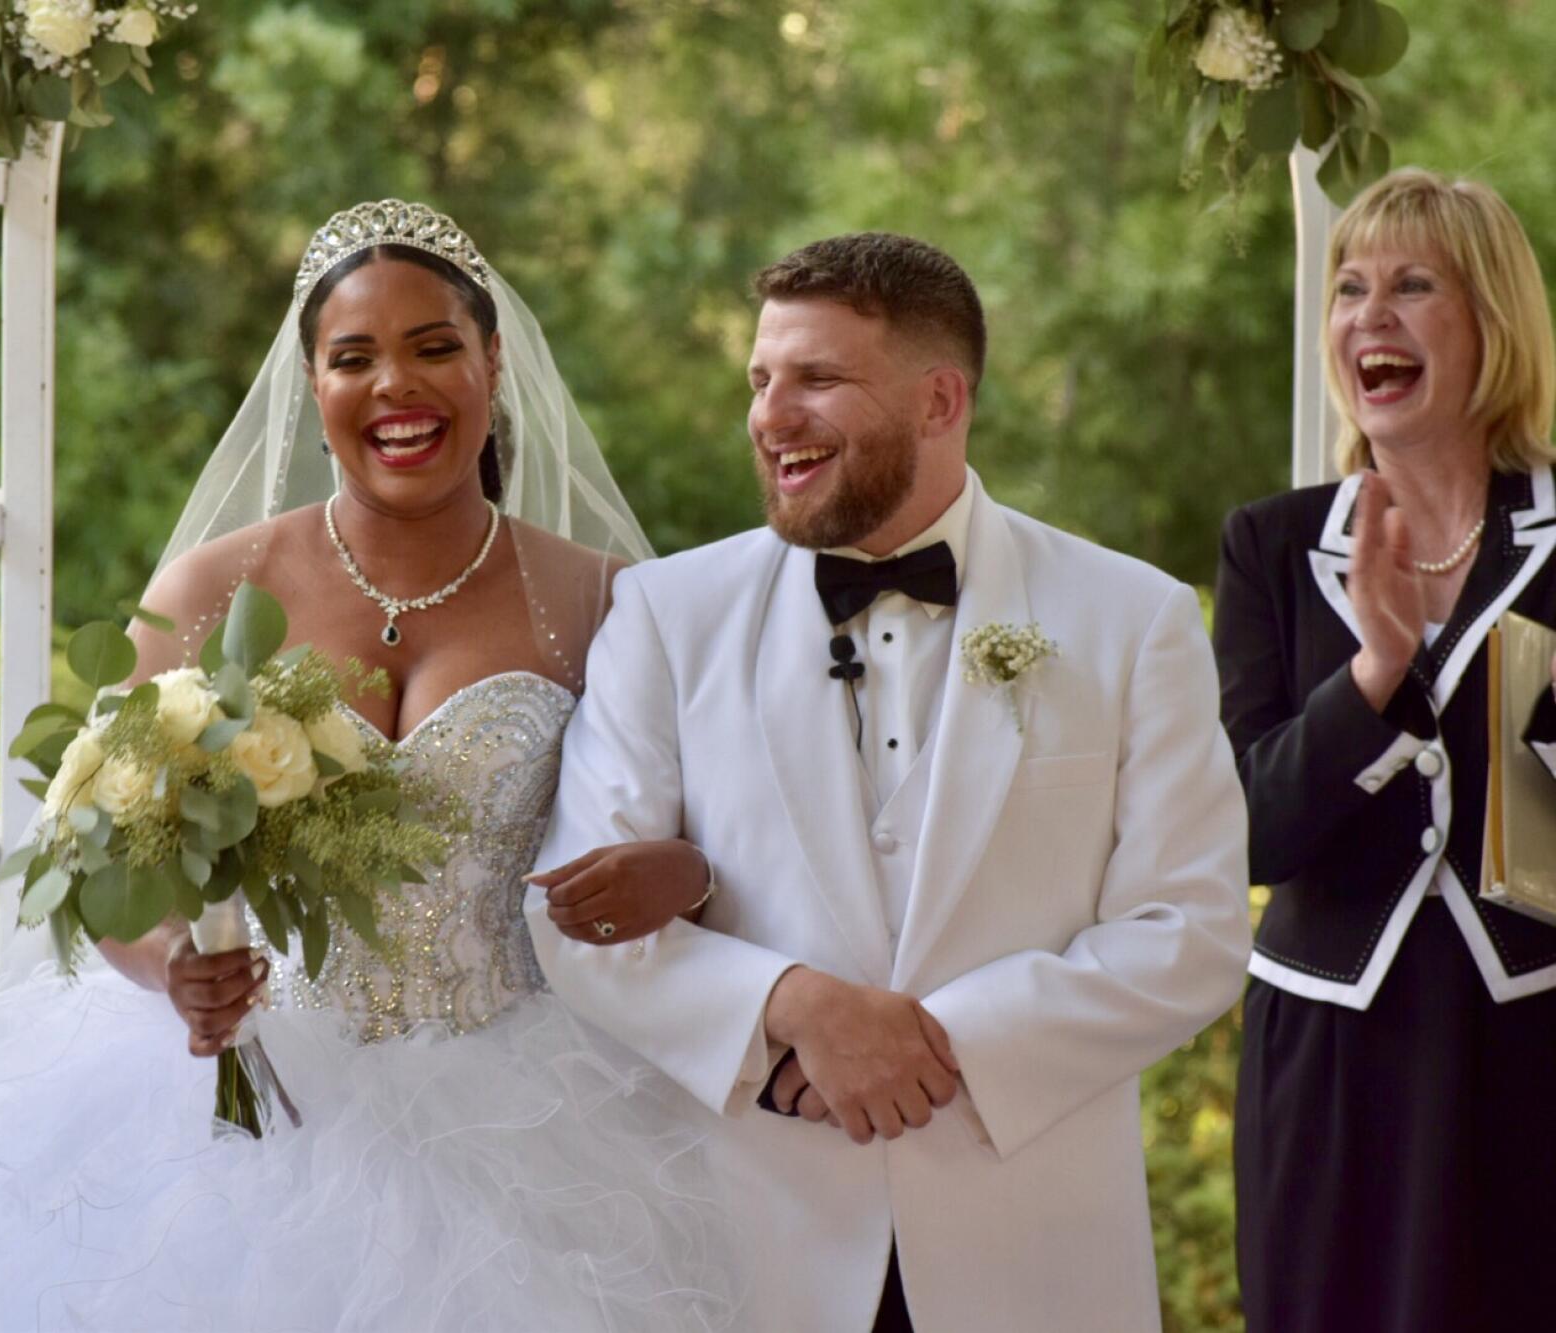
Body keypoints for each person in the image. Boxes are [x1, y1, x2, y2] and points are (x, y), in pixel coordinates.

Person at [0, 201, 737, 1332]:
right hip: (235, 1099)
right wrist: (171, 963)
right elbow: (98, 855)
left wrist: (683, 875)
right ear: (310, 384)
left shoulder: (595, 597)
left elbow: (711, 834)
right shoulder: (211, 590)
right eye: (353, 358)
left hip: (527, 1112)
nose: (396, 386)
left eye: (434, 347)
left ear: (491, 362)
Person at [524, 230, 1252, 1333]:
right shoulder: (666, 618)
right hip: (750, 1250)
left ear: (937, 399)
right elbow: (574, 921)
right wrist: (790, 1008)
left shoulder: (1130, 617)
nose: (771, 414)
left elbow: (1188, 930)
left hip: (1033, 1256)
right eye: (761, 379)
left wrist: (944, 1046)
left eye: (816, 378)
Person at [1214, 168, 1556, 1333]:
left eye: (1413, 285)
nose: (1369, 314)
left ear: (1491, 322)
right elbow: (1249, 827)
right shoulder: (1266, 543)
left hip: (1531, 1035)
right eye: (1348, 287)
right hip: (1328, 1045)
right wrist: (1372, 677)